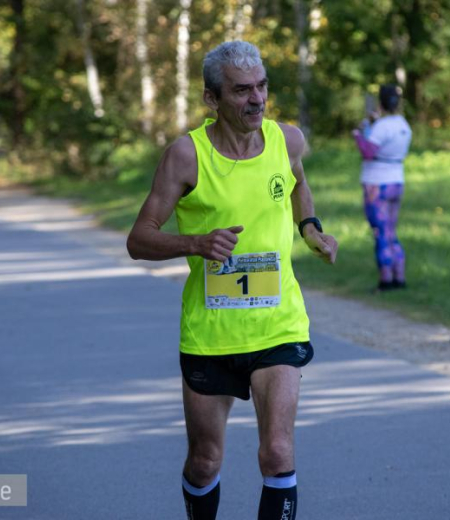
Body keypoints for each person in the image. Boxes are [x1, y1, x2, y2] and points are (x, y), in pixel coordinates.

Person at [127, 41, 338, 520]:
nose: (257, 99)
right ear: (212, 99)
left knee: (278, 453)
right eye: (242, 90)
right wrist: (196, 243)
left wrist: (311, 230)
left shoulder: (287, 140)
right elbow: (139, 239)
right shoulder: (186, 156)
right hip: (211, 334)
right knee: (205, 462)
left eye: (262, 86)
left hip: (278, 326)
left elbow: (298, 181)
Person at [352, 84, 412, 292]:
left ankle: (385, 280)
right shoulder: (403, 124)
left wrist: (357, 135)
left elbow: (368, 151)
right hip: (397, 180)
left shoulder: (382, 126)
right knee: (390, 231)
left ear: (381, 102)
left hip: (377, 183)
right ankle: (400, 276)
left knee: (379, 231)